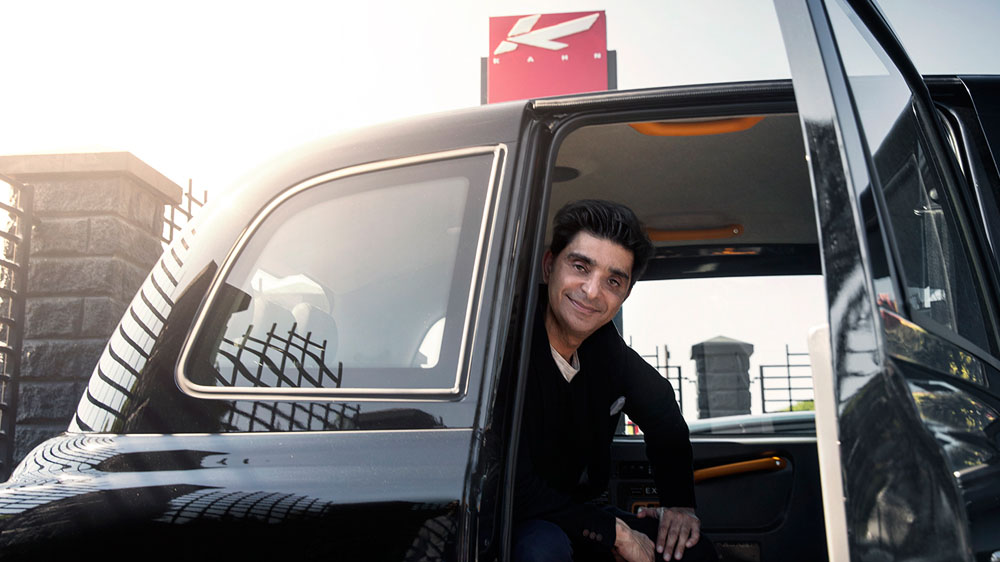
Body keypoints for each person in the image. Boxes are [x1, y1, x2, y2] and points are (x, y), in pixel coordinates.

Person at [513, 200, 717, 562]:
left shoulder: (606, 347)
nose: (592, 291)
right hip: (520, 516)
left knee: (691, 550)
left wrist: (679, 505)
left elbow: (662, 412)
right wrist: (614, 533)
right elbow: (515, 484)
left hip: (581, 513)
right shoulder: (505, 345)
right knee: (541, 550)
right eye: (580, 267)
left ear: (625, 294)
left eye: (613, 281)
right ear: (549, 265)